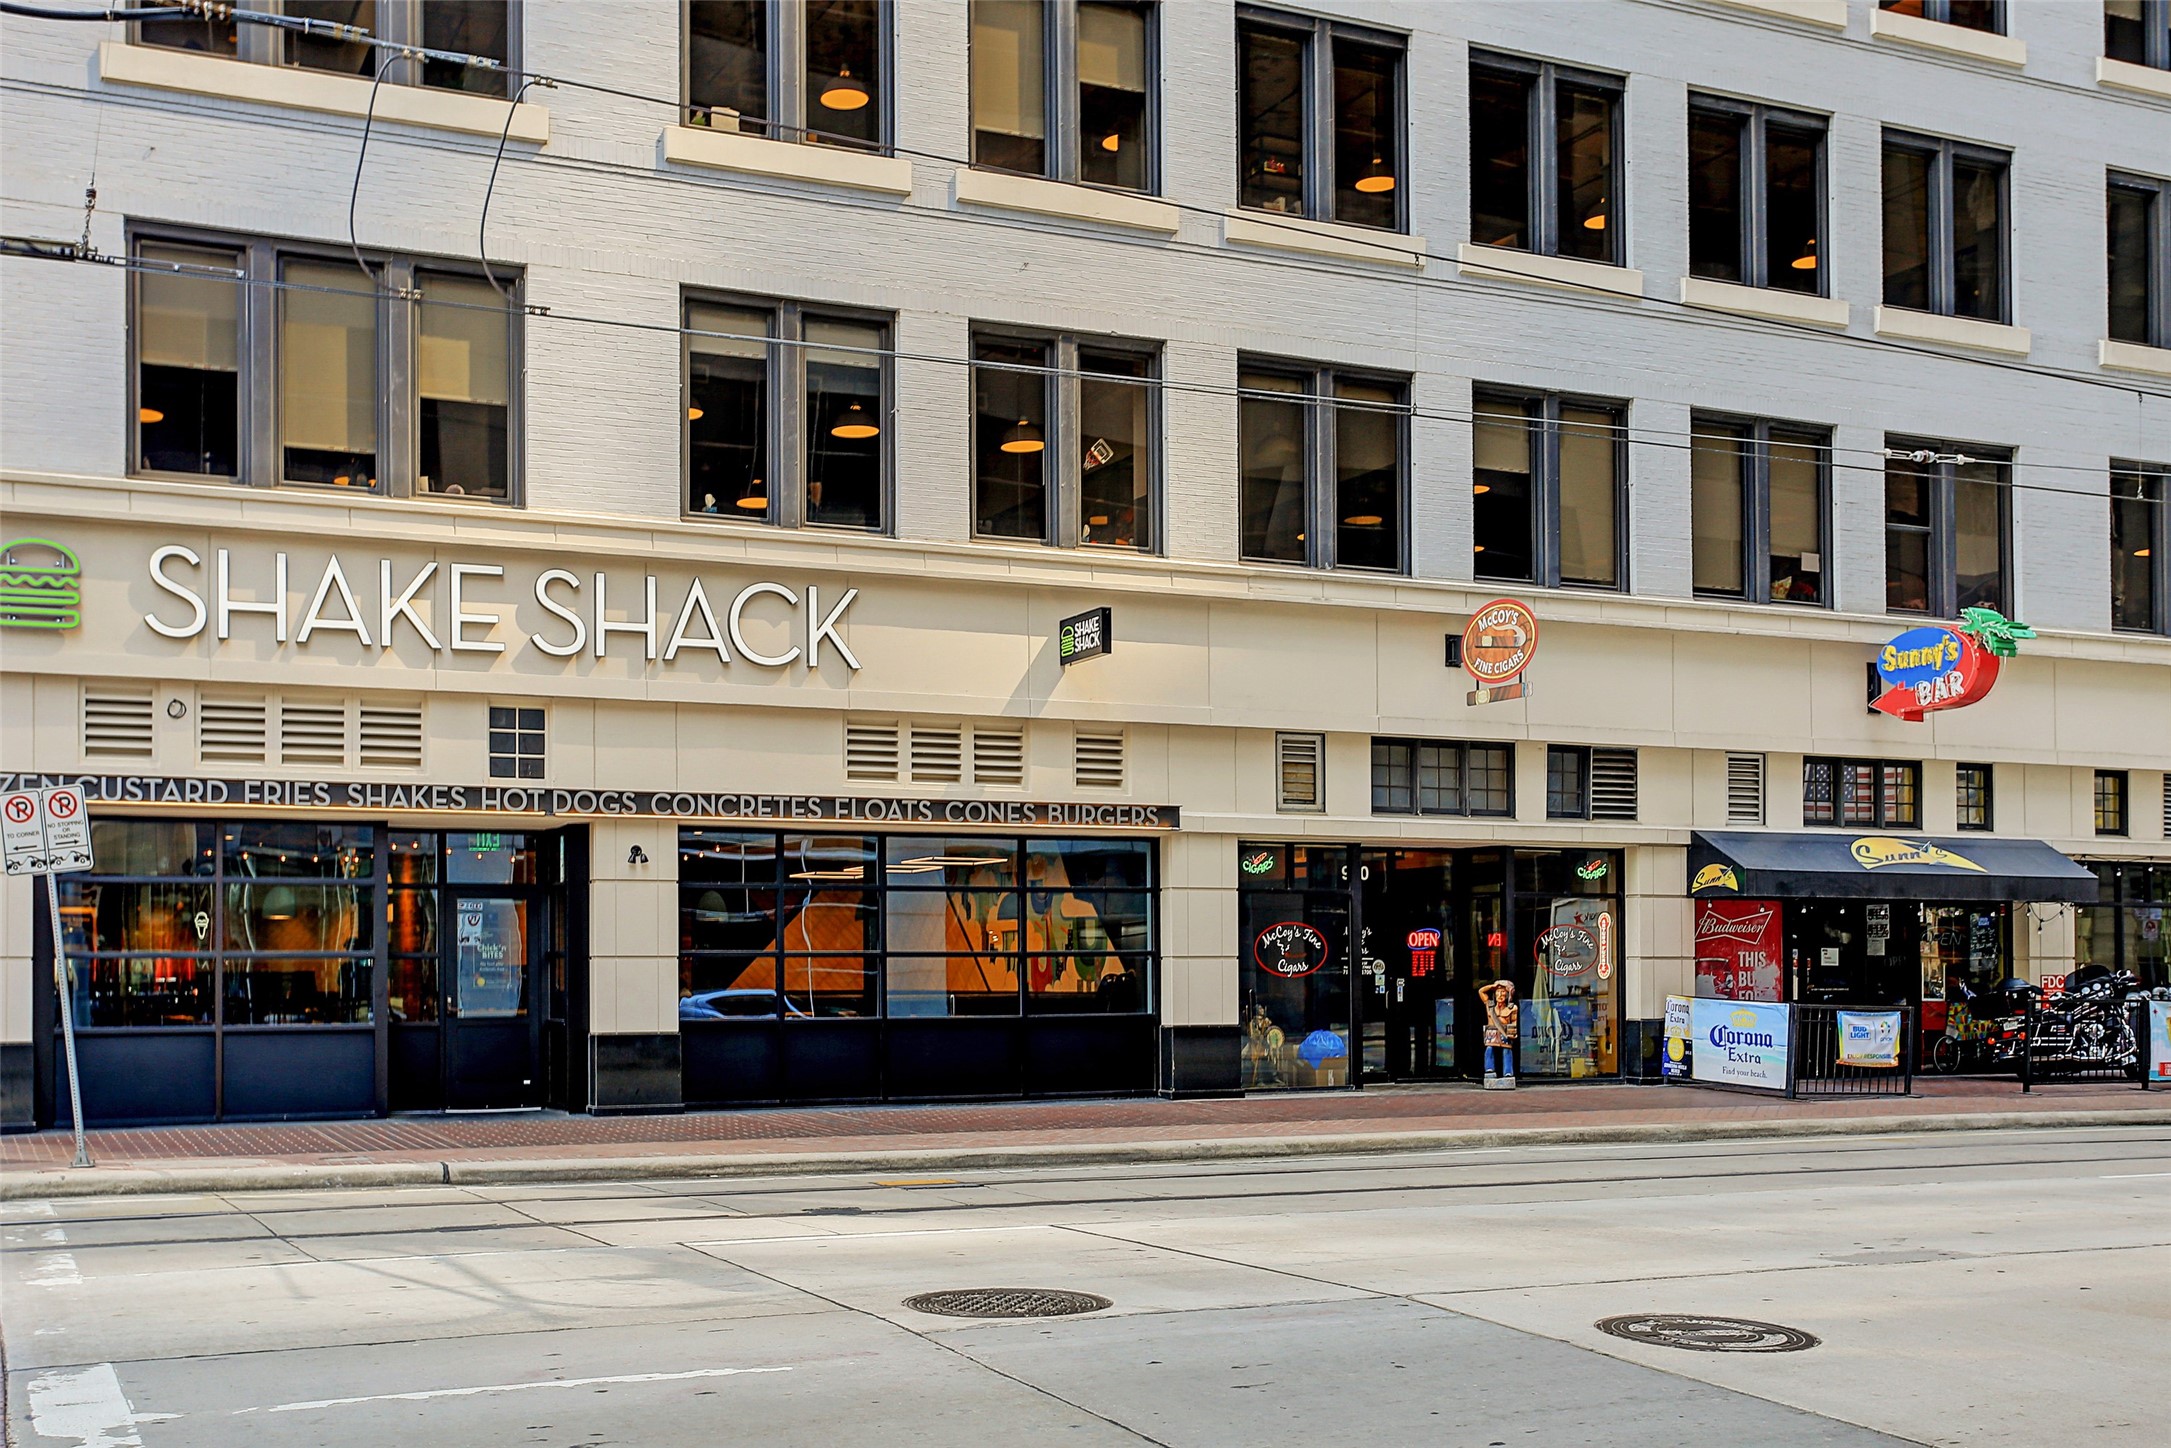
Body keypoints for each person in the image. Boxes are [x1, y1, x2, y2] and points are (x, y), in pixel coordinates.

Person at [1482, 980, 1519, 1089]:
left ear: (1508, 995)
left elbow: (1514, 1023)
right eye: (1498, 992)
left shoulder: (1512, 1008)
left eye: (1503, 992)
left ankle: (1508, 1072)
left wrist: (1513, 1033)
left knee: (1507, 1051)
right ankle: (1489, 1070)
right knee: (1489, 1049)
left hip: (1504, 1033)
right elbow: (1481, 992)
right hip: (1492, 1033)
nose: (1500, 995)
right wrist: (1492, 986)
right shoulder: (1490, 1005)